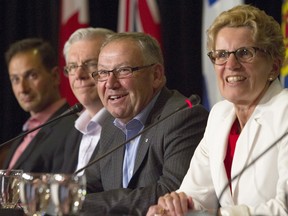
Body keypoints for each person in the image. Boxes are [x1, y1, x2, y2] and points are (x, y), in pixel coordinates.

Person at [147, 4, 288, 216]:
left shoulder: (284, 111)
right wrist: (173, 206)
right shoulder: (220, 115)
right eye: (221, 54)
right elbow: (195, 195)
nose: (230, 64)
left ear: (274, 66)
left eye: (244, 53)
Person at [79, 32, 209, 216]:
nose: (110, 83)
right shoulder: (111, 122)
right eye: (103, 73)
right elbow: (86, 187)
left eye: (123, 70)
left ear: (156, 75)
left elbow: (170, 193)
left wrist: (82, 204)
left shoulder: (184, 117)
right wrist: (51, 193)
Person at [1, 38, 79, 173]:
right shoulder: (28, 129)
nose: (22, 88)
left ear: (55, 76)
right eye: (15, 79)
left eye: (31, 76)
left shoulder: (72, 128)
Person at [60, 27, 114, 174]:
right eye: (72, 67)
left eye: (90, 64)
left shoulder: (126, 127)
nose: (78, 74)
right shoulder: (73, 132)